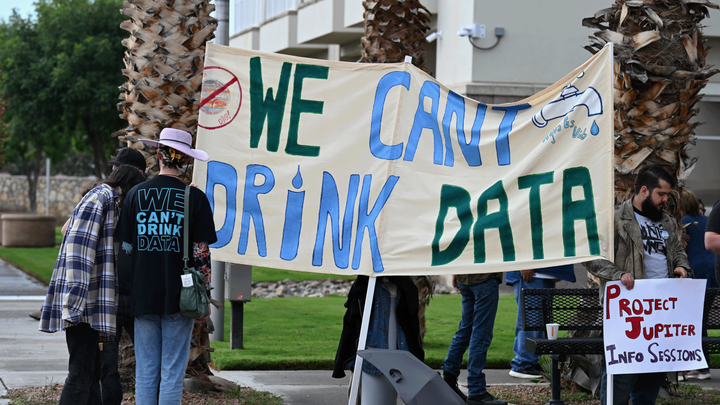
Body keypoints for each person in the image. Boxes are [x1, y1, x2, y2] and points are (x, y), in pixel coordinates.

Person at [116, 128, 217, 405]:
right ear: (184, 160)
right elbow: (201, 253)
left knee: (147, 370)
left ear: (158, 155)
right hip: (179, 296)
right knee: (172, 371)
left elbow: (126, 248)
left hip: (142, 294)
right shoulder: (194, 198)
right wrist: (205, 295)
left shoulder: (135, 195)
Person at [38, 165, 147, 404]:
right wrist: (75, 306)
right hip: (85, 306)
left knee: (91, 372)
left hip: (91, 304)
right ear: (130, 186)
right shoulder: (104, 198)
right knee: (80, 374)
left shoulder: (103, 198)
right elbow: (79, 251)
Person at [583, 163, 691, 405]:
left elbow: (677, 250)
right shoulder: (615, 219)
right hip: (627, 315)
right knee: (619, 383)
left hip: (661, 315)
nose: (665, 199)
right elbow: (591, 256)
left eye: (667, 195)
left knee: (650, 383)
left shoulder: (668, 222)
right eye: (661, 194)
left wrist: (682, 267)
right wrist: (617, 274)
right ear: (644, 190)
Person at [29, 148, 147, 321]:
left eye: (119, 167)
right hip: (106, 289)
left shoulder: (123, 197)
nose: (114, 171)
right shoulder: (104, 196)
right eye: (115, 167)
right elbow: (68, 233)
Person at [332, 275, 424, 405]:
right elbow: (352, 322)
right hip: (373, 359)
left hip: (398, 357)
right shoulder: (366, 285)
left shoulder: (405, 286)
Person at [441, 272, 507, 405]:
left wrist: (455, 273)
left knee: (465, 329)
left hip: (464, 277)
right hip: (485, 277)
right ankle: (477, 391)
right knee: (481, 333)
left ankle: (449, 378)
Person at [506, 264, 575, 379]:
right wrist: (525, 263)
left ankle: (530, 362)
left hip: (541, 274)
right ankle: (522, 364)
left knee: (538, 322)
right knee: (531, 320)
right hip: (531, 273)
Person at [677, 190, 716, 381]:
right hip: (712, 274)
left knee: (691, 321)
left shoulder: (683, 223)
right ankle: (699, 365)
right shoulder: (706, 220)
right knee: (701, 320)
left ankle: (696, 366)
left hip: (693, 275)